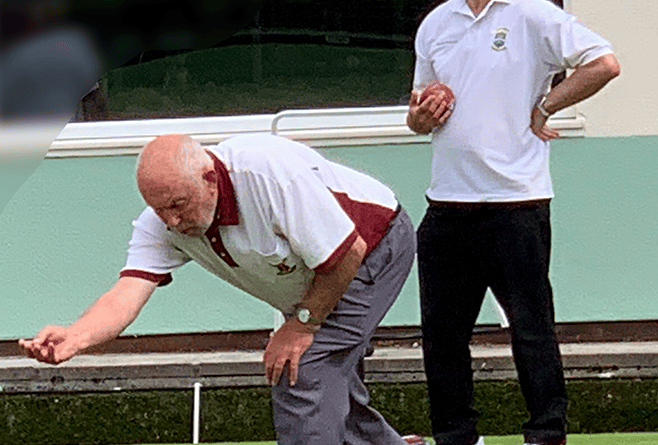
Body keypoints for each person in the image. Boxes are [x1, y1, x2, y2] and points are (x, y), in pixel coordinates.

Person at [19, 132, 424, 445]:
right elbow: (128, 292)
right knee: (329, 386)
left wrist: (301, 324)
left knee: (300, 369)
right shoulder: (161, 221)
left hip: (373, 247)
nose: (172, 222)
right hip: (314, 276)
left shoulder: (269, 175)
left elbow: (346, 253)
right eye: (159, 209)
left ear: (210, 178)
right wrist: (76, 337)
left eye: (178, 205)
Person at [406, 1, 620, 445]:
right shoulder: (437, 22)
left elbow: (603, 64)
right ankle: (456, 436)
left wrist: (546, 106)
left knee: (531, 329)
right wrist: (419, 119)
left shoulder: (533, 13)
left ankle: (545, 433)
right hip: (446, 204)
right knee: (442, 338)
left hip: (516, 204)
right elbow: (418, 113)